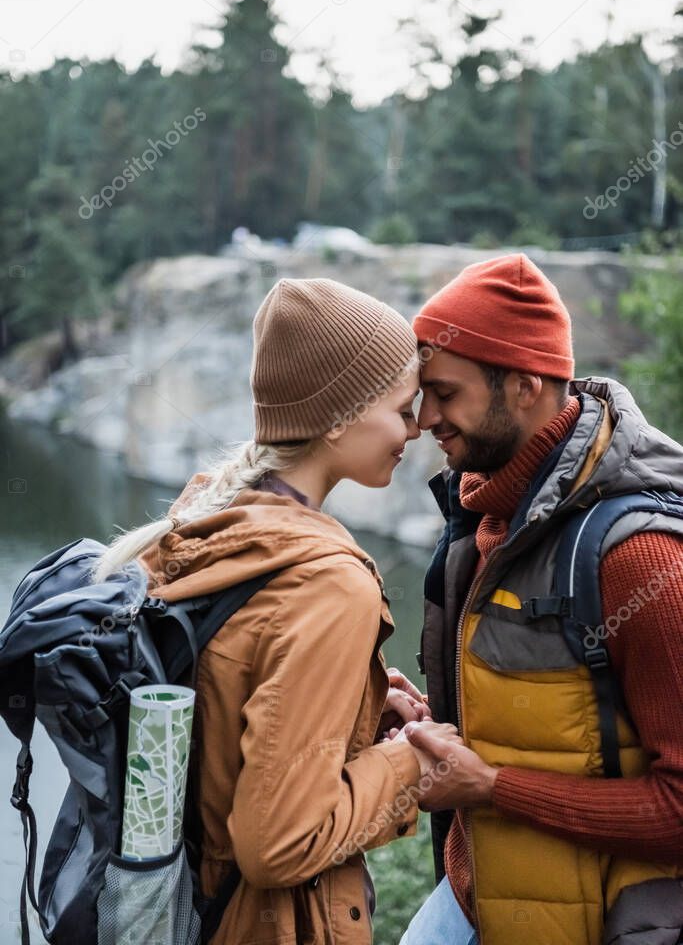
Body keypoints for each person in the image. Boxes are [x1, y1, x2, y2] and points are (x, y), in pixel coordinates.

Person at [93, 276, 461, 945]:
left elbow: (226, 721)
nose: (416, 428)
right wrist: (410, 761)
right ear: (341, 415)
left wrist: (354, 714)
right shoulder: (329, 586)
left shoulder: (206, 522)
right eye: (402, 407)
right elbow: (278, 843)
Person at [398, 253, 683, 945]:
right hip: (473, 897)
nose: (421, 418)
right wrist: (427, 717)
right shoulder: (486, 512)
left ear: (523, 387)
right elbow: (563, 721)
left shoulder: (640, 562)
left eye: (443, 392)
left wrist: (492, 787)